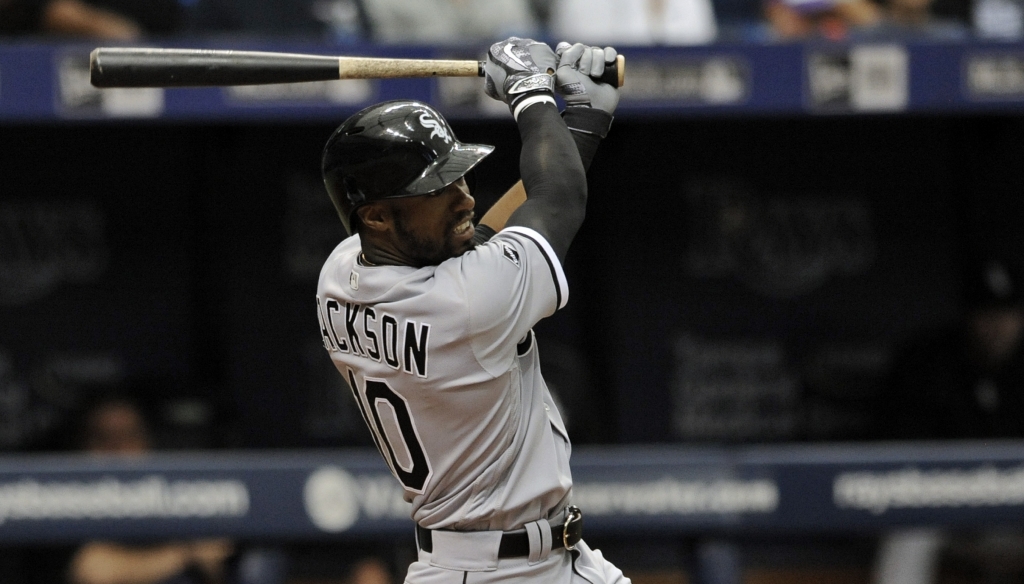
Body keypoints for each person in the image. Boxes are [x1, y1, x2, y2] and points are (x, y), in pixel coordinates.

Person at [315, 37, 629, 584]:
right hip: (494, 572)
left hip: (537, 559)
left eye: (457, 176)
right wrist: (532, 96)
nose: (464, 198)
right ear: (378, 217)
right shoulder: (464, 304)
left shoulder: (341, 272)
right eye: (435, 189)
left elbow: (492, 235)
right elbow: (555, 202)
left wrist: (579, 122)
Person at [66, 395, 240, 584]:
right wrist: (186, 553)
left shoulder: (181, 493)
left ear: (147, 441)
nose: (116, 450)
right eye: (104, 438)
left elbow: (215, 558)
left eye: (127, 436)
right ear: (84, 445)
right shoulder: (64, 498)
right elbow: (94, 572)